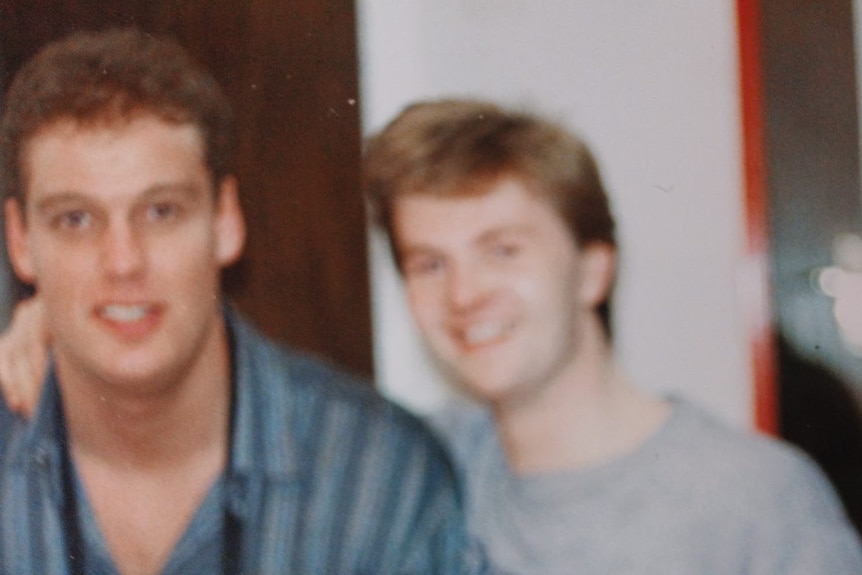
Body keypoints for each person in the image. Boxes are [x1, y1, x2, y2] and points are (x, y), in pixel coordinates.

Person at [0, 30, 489, 575]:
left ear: (226, 220)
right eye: (76, 219)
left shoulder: (378, 476)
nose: (123, 262)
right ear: (20, 241)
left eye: (161, 211)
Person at [361, 99, 862, 574]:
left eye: (503, 251)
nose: (463, 293)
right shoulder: (414, 473)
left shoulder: (752, 499)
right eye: (429, 264)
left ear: (592, 272)